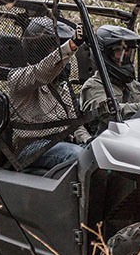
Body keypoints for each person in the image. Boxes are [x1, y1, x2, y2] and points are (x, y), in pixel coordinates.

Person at [6, 17, 91, 171]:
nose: (67, 58)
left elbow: (75, 126)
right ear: (36, 49)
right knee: (77, 155)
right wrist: (71, 45)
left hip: (61, 143)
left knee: (97, 153)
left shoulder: (62, 86)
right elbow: (43, 71)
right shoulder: (19, 78)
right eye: (56, 47)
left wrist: (90, 142)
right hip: (31, 148)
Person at [79, 25, 140, 134]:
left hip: (138, 139)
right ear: (105, 54)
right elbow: (111, 114)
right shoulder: (93, 86)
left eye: (129, 52)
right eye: (120, 51)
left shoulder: (134, 85)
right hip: (106, 145)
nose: (125, 57)